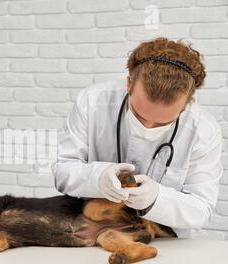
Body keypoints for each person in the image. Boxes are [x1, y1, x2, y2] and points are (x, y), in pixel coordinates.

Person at [54, 37, 224, 239]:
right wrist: (98, 178)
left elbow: (201, 210)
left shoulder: (203, 130)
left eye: (162, 123)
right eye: (139, 115)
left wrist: (156, 198)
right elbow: (63, 172)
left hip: (165, 242)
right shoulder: (92, 102)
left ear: (188, 104)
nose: (147, 127)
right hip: (93, 234)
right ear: (128, 84)